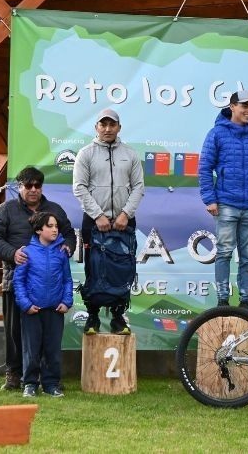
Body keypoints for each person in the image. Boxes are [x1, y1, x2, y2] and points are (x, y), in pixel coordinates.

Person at [0, 166, 76, 391]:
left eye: (38, 185)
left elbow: (69, 234)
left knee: (48, 335)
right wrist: (12, 253)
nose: (34, 189)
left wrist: (68, 246)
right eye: (28, 185)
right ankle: (14, 374)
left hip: (49, 286)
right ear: (19, 186)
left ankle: (49, 379)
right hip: (14, 281)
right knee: (15, 333)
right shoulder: (6, 209)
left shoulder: (54, 209)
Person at [72, 108, 145, 335]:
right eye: (103, 125)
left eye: (111, 124)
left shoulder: (130, 154)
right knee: (94, 269)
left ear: (119, 127)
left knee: (122, 269)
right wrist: (98, 215)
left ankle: (118, 318)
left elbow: (139, 187)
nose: (107, 129)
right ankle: (92, 317)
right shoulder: (85, 154)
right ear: (96, 128)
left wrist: (125, 214)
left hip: (125, 222)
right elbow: (79, 188)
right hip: (94, 223)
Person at [199, 90, 248, 309]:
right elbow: (204, 168)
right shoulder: (216, 134)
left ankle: (245, 301)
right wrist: (209, 199)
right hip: (225, 205)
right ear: (232, 107)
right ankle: (222, 300)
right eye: (244, 106)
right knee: (223, 252)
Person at [13, 212, 74, 398]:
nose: (55, 229)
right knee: (31, 349)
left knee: (52, 349)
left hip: (55, 310)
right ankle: (30, 383)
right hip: (32, 311)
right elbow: (19, 282)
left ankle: (51, 384)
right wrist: (25, 304)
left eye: (56, 226)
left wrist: (66, 301)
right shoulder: (26, 253)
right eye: (50, 226)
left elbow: (67, 280)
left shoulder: (61, 253)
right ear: (39, 229)